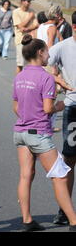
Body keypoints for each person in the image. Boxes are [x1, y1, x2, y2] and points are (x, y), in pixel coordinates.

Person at [12, 34, 76, 232]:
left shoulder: (19, 77)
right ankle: (74, 221)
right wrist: (62, 104)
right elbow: (48, 108)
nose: (49, 55)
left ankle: (27, 220)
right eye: (47, 52)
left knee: (25, 175)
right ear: (40, 53)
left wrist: (29, 112)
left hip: (20, 131)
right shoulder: (46, 78)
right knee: (60, 175)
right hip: (38, 134)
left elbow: (16, 106)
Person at [49, 11, 76, 226]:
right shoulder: (63, 46)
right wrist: (58, 79)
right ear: (74, 28)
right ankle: (64, 210)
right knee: (70, 159)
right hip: (73, 108)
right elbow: (39, 63)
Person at [12, 0, 38, 74]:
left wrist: (27, 29)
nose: (29, 3)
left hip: (31, 40)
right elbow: (20, 26)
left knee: (30, 64)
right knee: (20, 64)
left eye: (30, 1)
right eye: (28, 1)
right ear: (22, 2)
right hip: (21, 40)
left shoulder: (32, 11)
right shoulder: (16, 12)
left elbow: (36, 25)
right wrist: (29, 17)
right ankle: (18, 82)